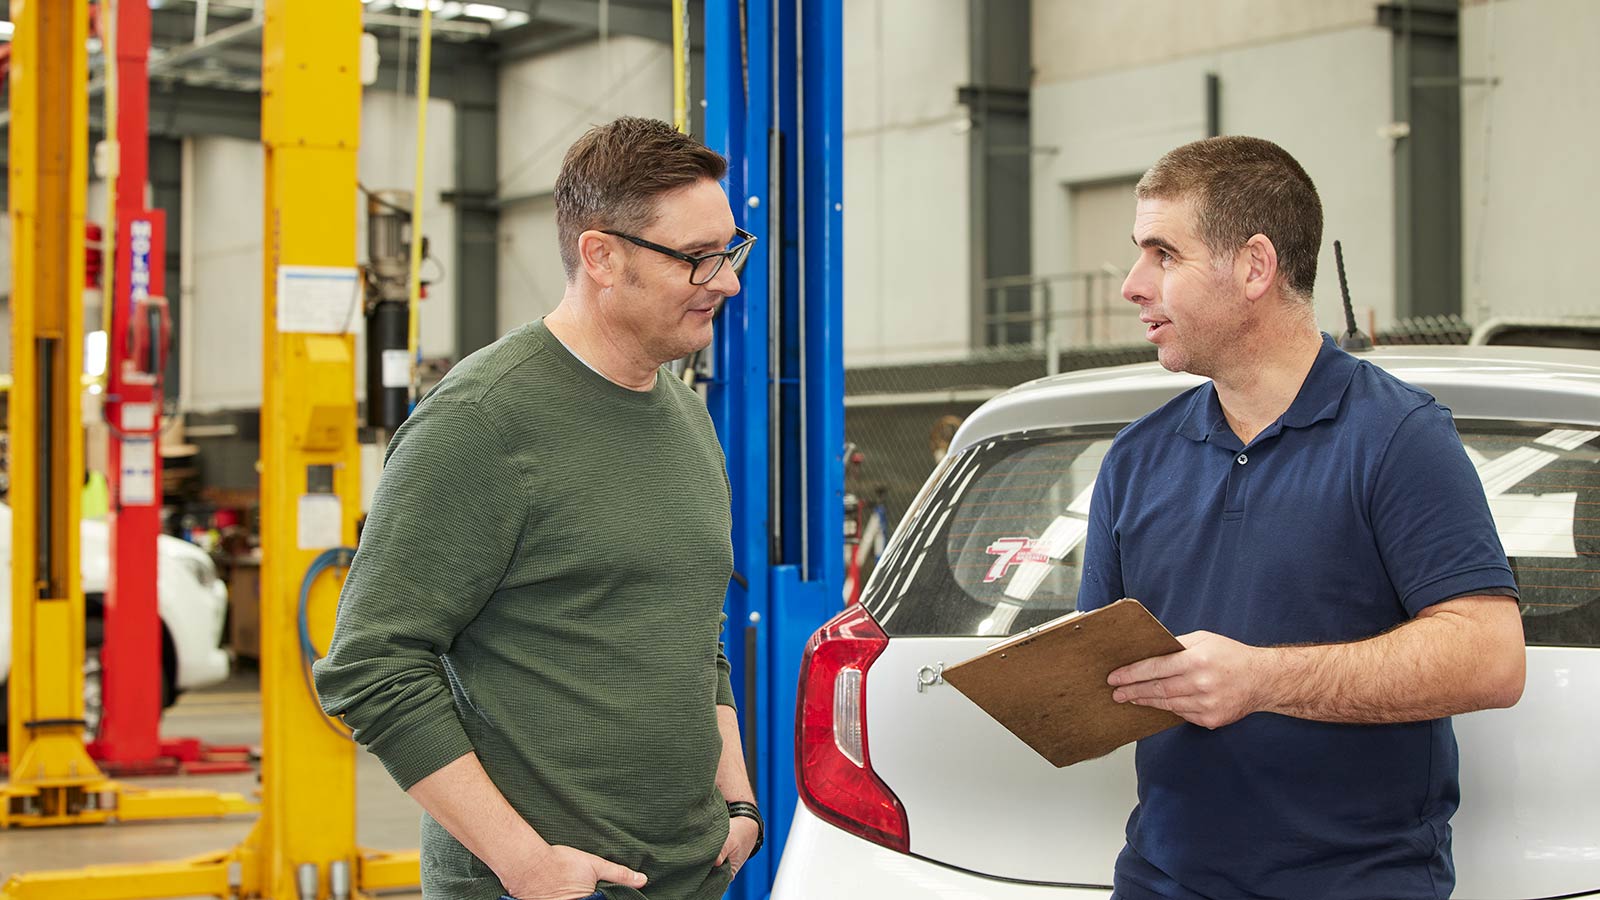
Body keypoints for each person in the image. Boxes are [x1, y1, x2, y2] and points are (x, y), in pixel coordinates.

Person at [314, 117, 762, 900]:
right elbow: (370, 667)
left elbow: (694, 635)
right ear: (601, 256)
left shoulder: (688, 418)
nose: (726, 280)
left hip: (695, 875)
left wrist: (739, 803)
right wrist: (525, 863)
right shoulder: (482, 421)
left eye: (731, 249)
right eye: (697, 258)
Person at [1077, 135, 1526, 900]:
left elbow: (1490, 656)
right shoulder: (1135, 459)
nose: (1131, 285)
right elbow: (1102, 669)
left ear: (1254, 266)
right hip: (1162, 881)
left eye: (1162, 254)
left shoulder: (1397, 437)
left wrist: (1259, 679)